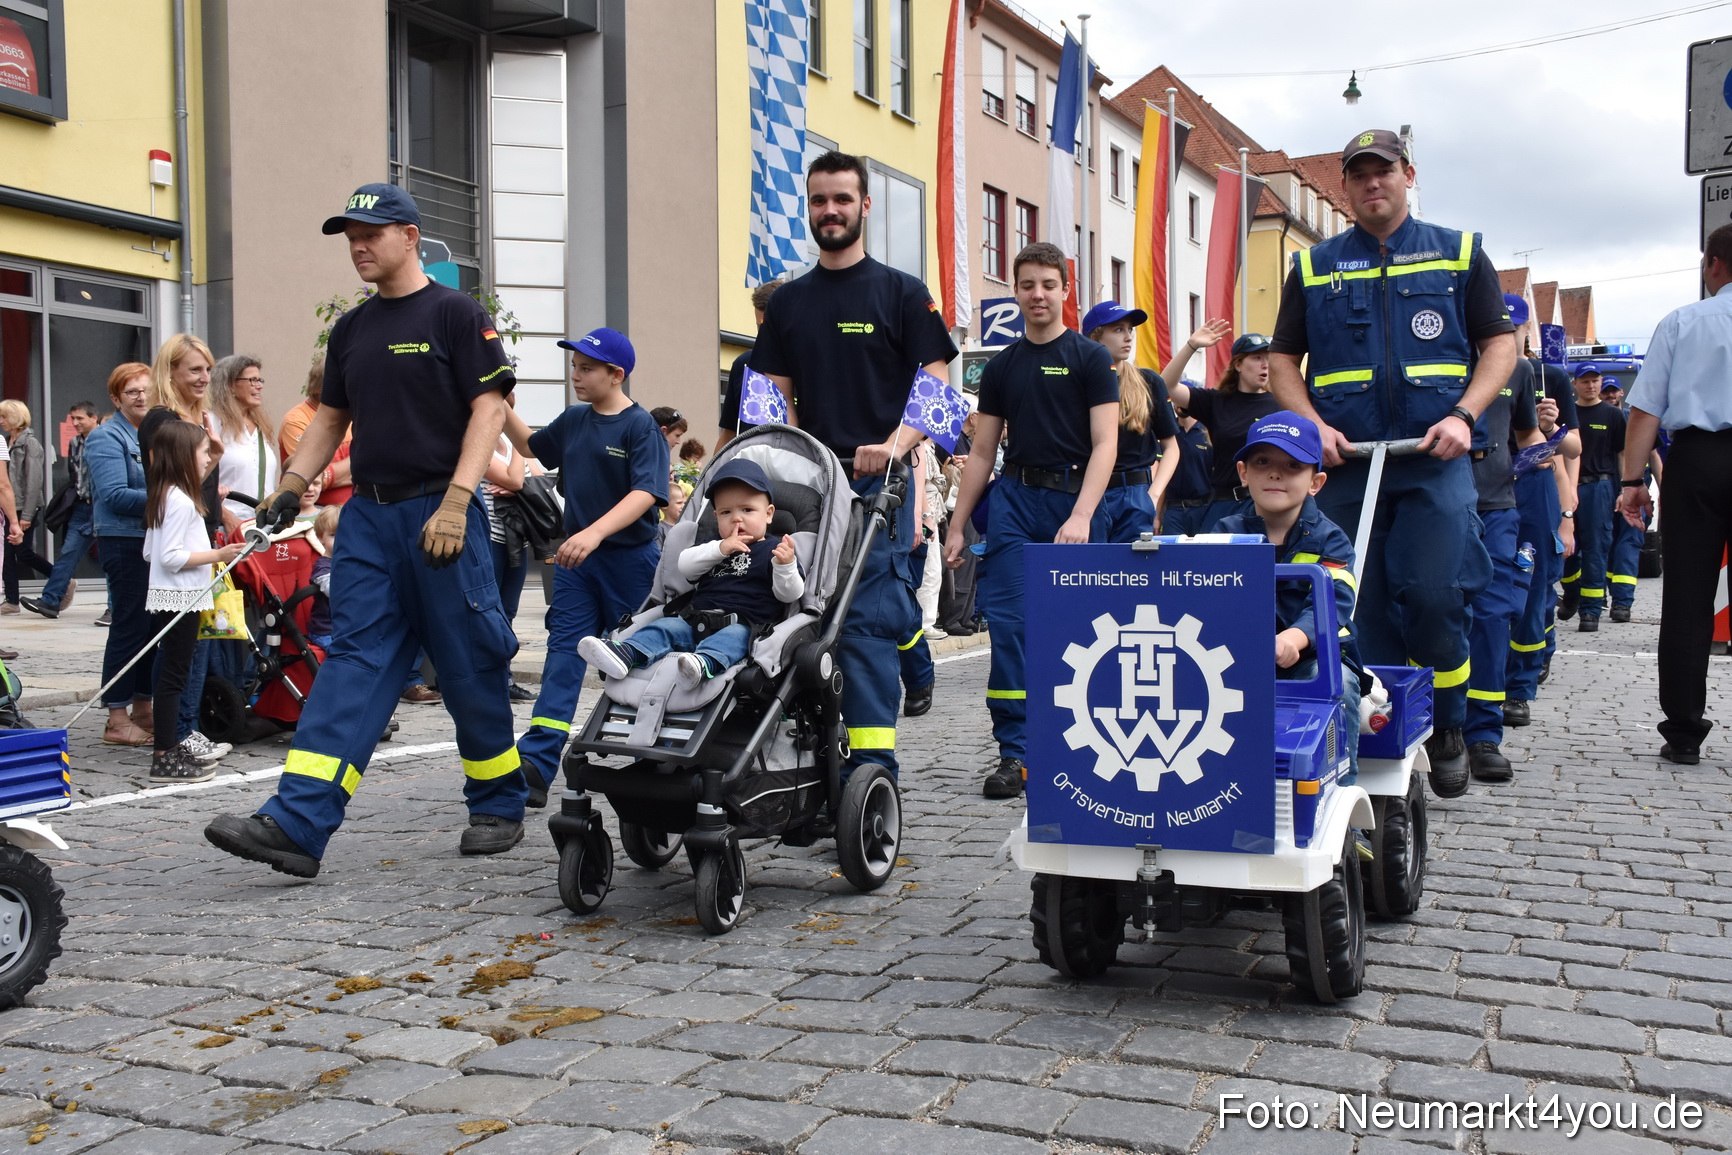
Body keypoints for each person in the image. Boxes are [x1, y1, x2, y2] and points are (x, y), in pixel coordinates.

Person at [205, 182, 527, 876]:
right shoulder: (351, 330)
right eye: (350, 234)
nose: (358, 245)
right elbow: (328, 420)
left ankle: (499, 800)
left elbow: (489, 412)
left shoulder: (457, 315)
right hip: (371, 522)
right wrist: (291, 486)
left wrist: (458, 499)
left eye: (371, 233)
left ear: (409, 236)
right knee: (352, 664)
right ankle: (297, 822)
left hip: (442, 511)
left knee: (469, 661)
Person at [1267, 128, 1515, 798]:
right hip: (1348, 466)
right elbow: (1284, 360)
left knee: (1437, 599)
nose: (1372, 183)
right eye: (1359, 175)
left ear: (1409, 175)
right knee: (1358, 609)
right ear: (1345, 187)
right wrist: (1310, 425)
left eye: (1384, 171)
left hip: (1433, 460)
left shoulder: (1460, 252)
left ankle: (1453, 726)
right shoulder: (1315, 266)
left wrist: (1464, 415)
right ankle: (1375, 738)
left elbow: (1500, 344)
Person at [751, 150, 958, 791]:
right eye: (820, 200)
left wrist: (894, 445)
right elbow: (767, 398)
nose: (831, 211)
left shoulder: (901, 293)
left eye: (843, 199)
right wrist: (761, 466)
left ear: (865, 206)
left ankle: (870, 778)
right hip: (810, 489)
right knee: (796, 619)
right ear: (808, 208)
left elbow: (940, 391)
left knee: (864, 627)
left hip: (878, 488)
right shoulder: (789, 304)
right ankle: (806, 765)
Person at [944, 241, 1118, 797]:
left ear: (1066, 290)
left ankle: (1086, 741)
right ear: (1015, 292)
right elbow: (980, 452)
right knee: (1012, 630)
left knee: (1086, 632)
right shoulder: (1001, 367)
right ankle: (1015, 754)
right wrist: (957, 524)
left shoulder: (1091, 359)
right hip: (1016, 502)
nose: (1037, 294)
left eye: (1048, 284)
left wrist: (1083, 515)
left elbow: (1106, 443)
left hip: (1077, 503)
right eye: (1027, 285)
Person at [503, 327, 666, 806]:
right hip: (578, 563)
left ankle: (652, 758)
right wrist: (497, 404)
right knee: (564, 654)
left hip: (631, 562)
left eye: (587, 368)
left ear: (617, 375)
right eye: (575, 367)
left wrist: (594, 533)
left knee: (638, 662)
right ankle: (537, 762)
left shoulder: (641, 428)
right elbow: (532, 446)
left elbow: (645, 493)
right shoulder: (575, 419)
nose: (577, 376)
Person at [1616, 225, 1732, 764]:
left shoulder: (1684, 321)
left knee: (1688, 598)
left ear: (1713, 265)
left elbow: (1646, 410)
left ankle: (1684, 732)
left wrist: (1633, 482)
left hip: (1700, 460)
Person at [1216, 411, 1361, 777]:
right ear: (1244, 473)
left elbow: (1334, 601)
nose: (1276, 473)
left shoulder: (1332, 539)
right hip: (1234, 659)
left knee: (1340, 688)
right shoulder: (1224, 531)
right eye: (1263, 462)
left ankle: (1344, 792)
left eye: (1293, 465)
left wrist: (1294, 639)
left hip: (1314, 659)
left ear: (1316, 482)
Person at [581, 459, 802, 686]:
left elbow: (789, 595)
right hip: (694, 622)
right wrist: (719, 549)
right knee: (665, 626)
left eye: (747, 510)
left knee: (733, 638)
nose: (737, 518)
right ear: (716, 517)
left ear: (768, 514)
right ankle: (627, 653)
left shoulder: (774, 552)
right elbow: (686, 566)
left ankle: (701, 665)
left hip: (745, 625)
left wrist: (785, 566)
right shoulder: (712, 546)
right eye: (726, 512)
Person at [141, 334, 230, 765]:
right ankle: (170, 740)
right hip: (185, 566)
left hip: (195, 545)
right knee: (178, 663)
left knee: (190, 655)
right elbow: (167, 551)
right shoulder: (164, 423)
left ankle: (180, 733)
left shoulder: (175, 494)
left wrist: (213, 456)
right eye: (195, 369)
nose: (204, 377)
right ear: (170, 370)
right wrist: (217, 556)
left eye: (207, 369)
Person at [141, 420, 243, 782]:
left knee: (172, 675)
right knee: (174, 678)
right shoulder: (181, 501)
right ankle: (165, 755)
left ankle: (167, 750)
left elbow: (150, 552)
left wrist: (214, 448)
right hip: (182, 598)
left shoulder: (166, 493)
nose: (207, 461)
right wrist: (219, 554)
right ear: (185, 456)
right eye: (202, 454)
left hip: (175, 596)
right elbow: (168, 556)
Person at [1461, 353, 1541, 783]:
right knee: (1427, 609)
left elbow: (1527, 434)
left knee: (1493, 617)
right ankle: (1436, 726)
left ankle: (1483, 736)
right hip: (1435, 503)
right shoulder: (1438, 352)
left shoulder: (1519, 368)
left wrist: (1539, 455)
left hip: (1497, 508)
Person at [1503, 355, 1579, 729]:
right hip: (1483, 480)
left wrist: (1567, 519)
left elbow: (1569, 454)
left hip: (1532, 487)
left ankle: (1519, 688)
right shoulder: (1466, 367)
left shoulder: (1540, 375)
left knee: (1533, 593)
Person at [86, 363, 156, 746]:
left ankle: (143, 708)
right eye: (132, 392)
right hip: (123, 539)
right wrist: (171, 500)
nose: (142, 397)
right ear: (116, 398)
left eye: (146, 390)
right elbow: (114, 496)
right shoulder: (105, 437)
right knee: (130, 625)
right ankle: (116, 715)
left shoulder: (152, 433)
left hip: (152, 539)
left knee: (151, 630)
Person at [1158, 327, 1282, 535]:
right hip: (1224, 506)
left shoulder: (1280, 403)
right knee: (1216, 566)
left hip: (1266, 504)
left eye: (1268, 358)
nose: (1265, 365)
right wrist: (1191, 346)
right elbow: (1165, 386)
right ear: (1238, 364)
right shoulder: (1216, 401)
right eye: (1257, 357)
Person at [1082, 300, 1181, 541]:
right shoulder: (1077, 383)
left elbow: (1172, 448)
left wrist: (1153, 495)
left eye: (1130, 329)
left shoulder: (1148, 382)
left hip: (1135, 493)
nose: (1128, 337)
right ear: (1096, 337)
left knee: (1132, 575)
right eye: (1118, 329)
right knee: (1088, 574)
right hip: (1086, 492)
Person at [1556, 365, 1624, 634]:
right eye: (1585, 381)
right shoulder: (1567, 413)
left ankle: (1590, 612)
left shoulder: (1613, 415)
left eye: (1595, 380)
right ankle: (1571, 592)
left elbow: (1622, 455)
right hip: (1566, 487)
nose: (1592, 386)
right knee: (1566, 549)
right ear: (1575, 384)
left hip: (1599, 487)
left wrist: (1623, 489)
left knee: (1596, 549)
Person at [22, 401, 99, 619]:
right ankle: (50, 601)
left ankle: (115, 608)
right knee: (67, 553)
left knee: (111, 560)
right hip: (81, 506)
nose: (75, 423)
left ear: (94, 418)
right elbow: (74, 474)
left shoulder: (104, 439)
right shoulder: (75, 442)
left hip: (102, 508)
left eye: (80, 418)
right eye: (72, 418)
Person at [210, 355, 280, 522]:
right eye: (252, 380)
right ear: (230, 385)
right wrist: (227, 518)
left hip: (259, 524)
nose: (259, 386)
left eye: (260, 380)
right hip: (227, 525)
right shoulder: (212, 423)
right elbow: (201, 482)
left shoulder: (259, 426)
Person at [717, 279, 782, 453]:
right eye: (759, 327)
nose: (763, 336)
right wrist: (710, 476)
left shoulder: (809, 362)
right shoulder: (743, 364)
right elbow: (728, 433)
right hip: (751, 471)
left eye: (768, 327)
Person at [280, 356, 353, 505]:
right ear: (322, 386)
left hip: (349, 508)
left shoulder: (350, 413)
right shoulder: (295, 420)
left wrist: (327, 473)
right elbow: (308, 476)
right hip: (317, 513)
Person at [0, 401, 50, 612]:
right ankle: (12, 601)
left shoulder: (30, 444)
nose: (1, 421)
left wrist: (26, 515)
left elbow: (33, 482)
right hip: (10, 505)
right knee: (8, 556)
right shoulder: (7, 441)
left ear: (16, 417)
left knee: (23, 553)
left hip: (24, 507)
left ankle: (61, 578)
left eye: (4, 417)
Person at [305, 504, 338, 650]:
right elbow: (334, 591)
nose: (341, 540)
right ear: (320, 537)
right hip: (326, 631)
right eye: (333, 535)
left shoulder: (351, 562)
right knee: (343, 655)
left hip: (346, 629)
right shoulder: (323, 566)